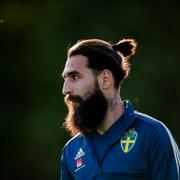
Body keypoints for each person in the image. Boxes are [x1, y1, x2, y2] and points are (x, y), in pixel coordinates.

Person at [60, 38, 180, 180]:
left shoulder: (153, 135)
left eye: (74, 77)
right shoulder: (71, 150)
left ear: (105, 79)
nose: (65, 89)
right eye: (65, 78)